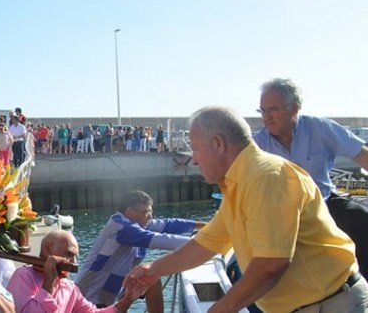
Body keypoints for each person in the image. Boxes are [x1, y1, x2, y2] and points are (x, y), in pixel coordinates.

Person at [124, 106, 366, 313]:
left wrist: (221, 308)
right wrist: (153, 269)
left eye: (196, 149)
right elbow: (206, 244)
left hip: (330, 305)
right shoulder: (239, 183)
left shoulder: (266, 177)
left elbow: (272, 264)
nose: (193, 160)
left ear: (218, 143)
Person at [253, 78, 368, 278]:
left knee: (361, 218)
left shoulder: (320, 128)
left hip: (324, 201)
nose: (266, 117)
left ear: (294, 108)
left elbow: (362, 154)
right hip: (283, 212)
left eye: (273, 110)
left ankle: (361, 285)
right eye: (262, 111)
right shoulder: (256, 145)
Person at [75, 190, 204, 310]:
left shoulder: (139, 223)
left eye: (150, 212)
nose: (149, 217)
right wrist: (206, 243)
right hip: (90, 296)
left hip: (113, 292)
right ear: (129, 211)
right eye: (145, 212)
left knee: (152, 277)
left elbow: (169, 224)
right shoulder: (121, 227)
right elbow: (159, 240)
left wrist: (205, 227)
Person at [8, 230, 143, 312]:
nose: (74, 261)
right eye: (69, 254)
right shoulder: (23, 276)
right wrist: (50, 281)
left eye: (75, 257)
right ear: (47, 250)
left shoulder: (69, 286)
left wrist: (128, 299)